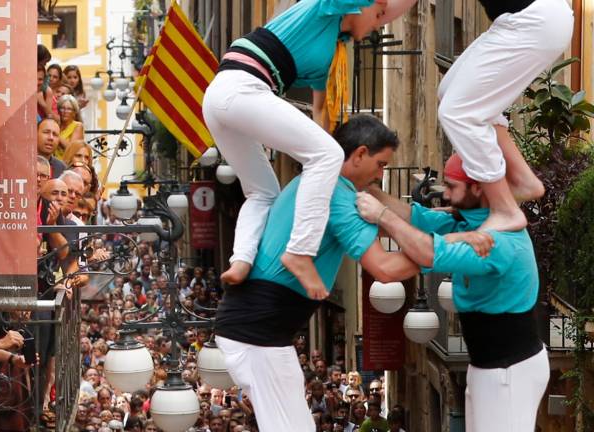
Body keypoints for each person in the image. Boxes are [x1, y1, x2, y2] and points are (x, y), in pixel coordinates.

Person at [214, 115, 420, 431]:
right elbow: (385, 268)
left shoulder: (319, 186)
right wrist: (440, 255)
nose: (381, 174)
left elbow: (392, 226)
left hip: (260, 335)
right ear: (360, 153)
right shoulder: (336, 196)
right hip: (256, 335)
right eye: (380, 164)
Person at [202, 0, 418, 298]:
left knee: (263, 191)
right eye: (378, 15)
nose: (377, 26)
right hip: (240, 90)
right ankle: (299, 252)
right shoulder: (326, 7)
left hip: (225, 99)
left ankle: (241, 259)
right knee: (327, 155)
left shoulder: (328, 52)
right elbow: (387, 4)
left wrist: (328, 169)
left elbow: (320, 113)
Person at [355, 153, 548, 431]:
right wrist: (367, 188)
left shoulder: (497, 240)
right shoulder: (469, 220)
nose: (444, 193)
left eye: (452, 186)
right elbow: (413, 217)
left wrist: (381, 214)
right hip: (489, 366)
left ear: (478, 188)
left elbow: (427, 251)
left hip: (509, 371)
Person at [434, 0, 573, 232]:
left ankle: (504, 210)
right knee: (448, 92)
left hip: (534, 20)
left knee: (458, 111)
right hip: (522, 19)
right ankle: (523, 180)